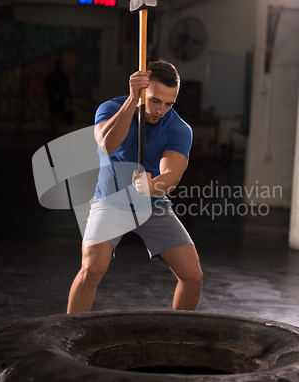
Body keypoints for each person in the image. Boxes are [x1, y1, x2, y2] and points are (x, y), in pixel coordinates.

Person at [67, 60, 203, 313]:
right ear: (141, 91)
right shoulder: (110, 108)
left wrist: (153, 187)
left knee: (193, 277)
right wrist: (132, 101)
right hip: (110, 203)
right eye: (154, 100)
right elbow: (106, 145)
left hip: (153, 205)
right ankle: (68, 336)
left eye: (169, 103)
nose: (160, 110)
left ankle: (178, 337)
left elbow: (172, 175)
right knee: (91, 270)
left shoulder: (178, 128)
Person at [44, 60, 71, 134]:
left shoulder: (52, 74)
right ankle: (55, 128)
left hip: (52, 96)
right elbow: (67, 87)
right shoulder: (62, 75)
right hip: (60, 96)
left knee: (53, 112)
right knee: (58, 112)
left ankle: (53, 127)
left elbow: (46, 84)